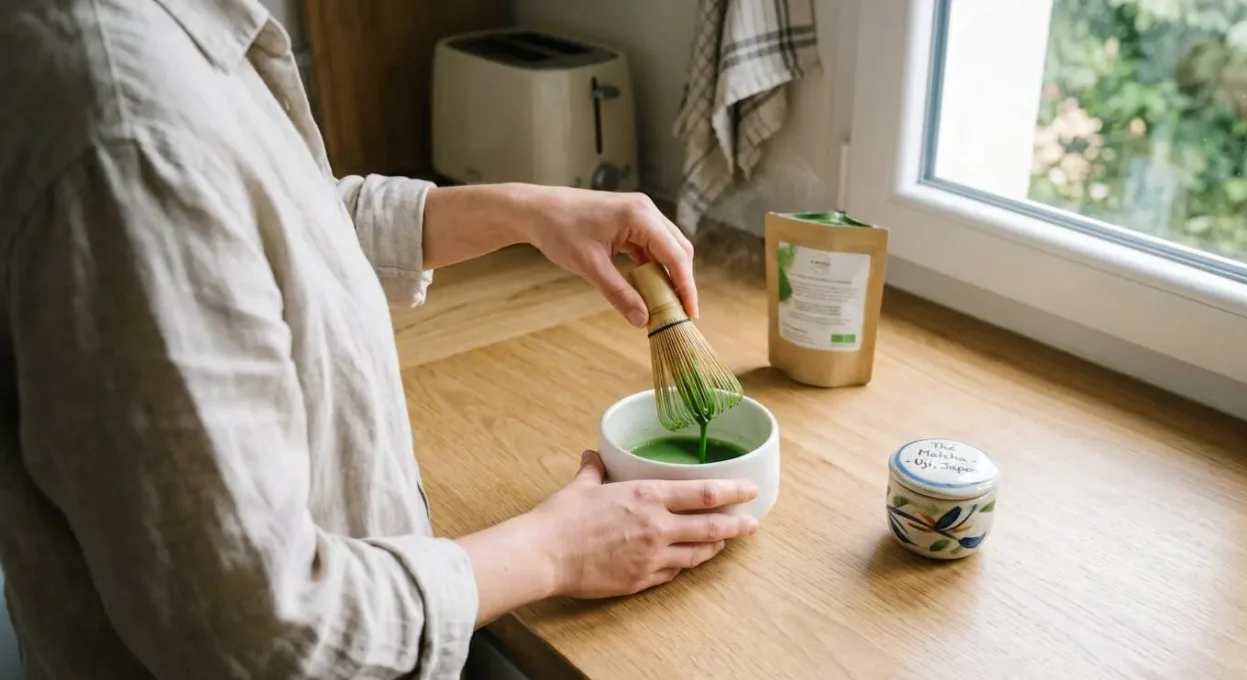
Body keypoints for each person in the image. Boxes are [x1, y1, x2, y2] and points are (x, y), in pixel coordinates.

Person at [0, 0, 761, 678]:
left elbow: (272, 225)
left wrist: (527, 211)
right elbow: (265, 632)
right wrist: (553, 550)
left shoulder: (166, 52)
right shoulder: (127, 127)